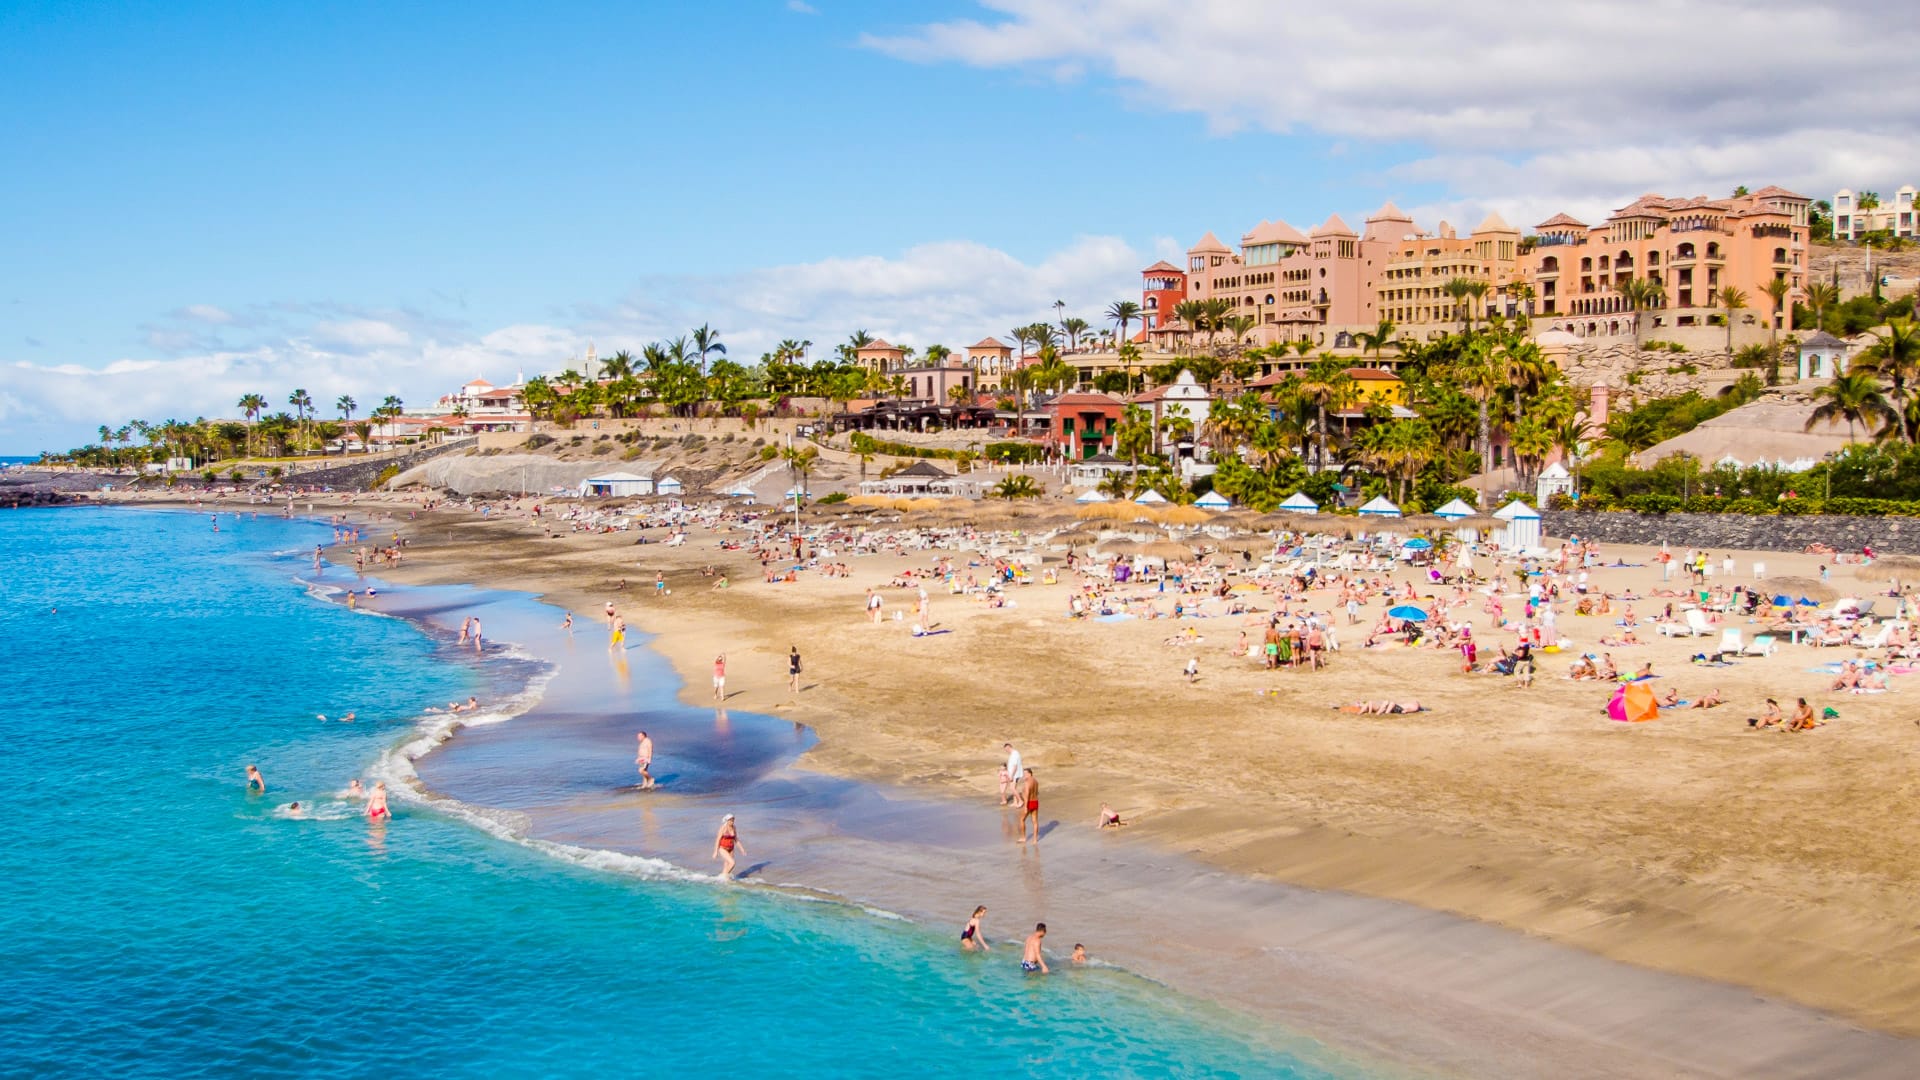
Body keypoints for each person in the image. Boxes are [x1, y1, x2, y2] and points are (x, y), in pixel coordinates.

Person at [1019, 767, 1040, 844]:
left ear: (1030, 773)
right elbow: (1037, 792)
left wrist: (1025, 806)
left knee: (1022, 819)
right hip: (1035, 801)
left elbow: (1027, 794)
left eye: (1025, 773)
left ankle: (1023, 838)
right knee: (1035, 821)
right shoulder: (1036, 781)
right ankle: (1035, 840)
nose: (1024, 775)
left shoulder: (1027, 782)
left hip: (1029, 803)